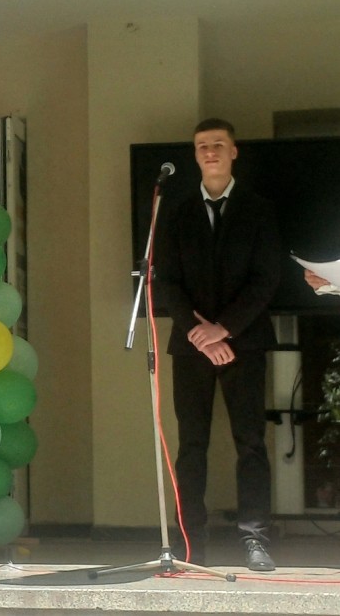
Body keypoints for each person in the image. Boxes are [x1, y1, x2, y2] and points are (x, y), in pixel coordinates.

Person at [154, 118, 280, 572]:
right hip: (192, 347)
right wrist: (199, 333)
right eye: (202, 146)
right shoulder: (176, 212)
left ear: (233, 151)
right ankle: (190, 543)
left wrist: (223, 330)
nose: (210, 152)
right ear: (195, 155)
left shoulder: (258, 209)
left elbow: (266, 279)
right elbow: (167, 281)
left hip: (244, 342)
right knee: (191, 446)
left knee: (251, 443)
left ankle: (255, 539)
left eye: (218, 145)